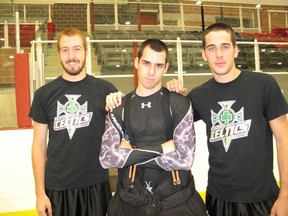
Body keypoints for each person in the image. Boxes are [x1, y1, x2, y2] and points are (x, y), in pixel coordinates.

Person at [165, 23, 288, 216]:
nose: (219, 54)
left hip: (263, 198)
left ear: (236, 50)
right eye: (212, 48)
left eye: (225, 46)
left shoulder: (264, 85)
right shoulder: (199, 96)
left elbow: (284, 140)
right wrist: (173, 95)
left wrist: (285, 196)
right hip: (219, 199)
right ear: (204, 54)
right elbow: (168, 126)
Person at [100, 39, 208, 216]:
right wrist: (161, 149)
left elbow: (184, 159)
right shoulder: (119, 107)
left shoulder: (179, 103)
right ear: (136, 63)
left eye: (158, 66)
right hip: (130, 204)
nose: (151, 72)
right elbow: (107, 158)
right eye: (146, 63)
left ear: (166, 68)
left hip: (177, 204)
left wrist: (130, 154)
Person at [29, 27, 117, 216]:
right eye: (65, 50)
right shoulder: (44, 95)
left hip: (96, 183)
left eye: (77, 49)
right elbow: (39, 146)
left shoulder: (105, 90)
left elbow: (123, 132)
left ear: (86, 52)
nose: (71, 56)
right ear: (59, 53)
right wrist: (39, 193)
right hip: (57, 188)